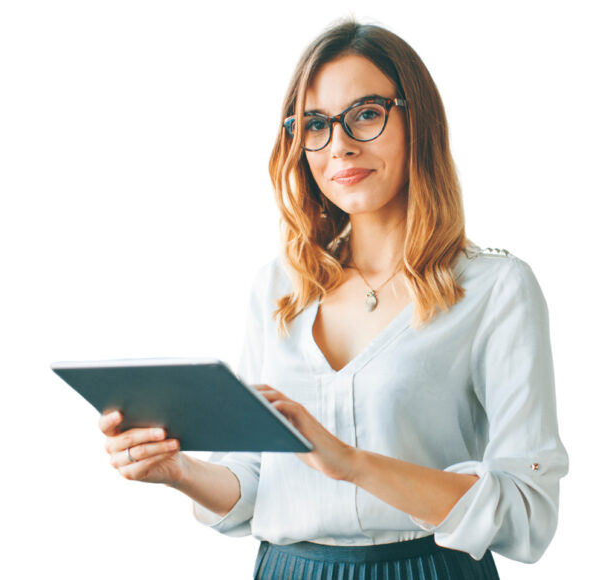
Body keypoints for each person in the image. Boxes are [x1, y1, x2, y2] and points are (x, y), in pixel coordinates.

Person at [99, 18, 569, 579]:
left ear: (416, 120)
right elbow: (255, 483)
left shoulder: (496, 289)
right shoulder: (279, 288)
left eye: (366, 114)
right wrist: (178, 471)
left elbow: (527, 511)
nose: (339, 145)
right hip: (286, 570)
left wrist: (352, 465)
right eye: (315, 124)